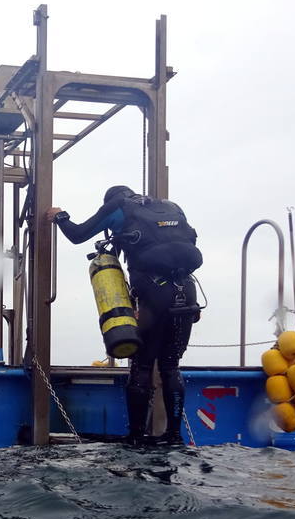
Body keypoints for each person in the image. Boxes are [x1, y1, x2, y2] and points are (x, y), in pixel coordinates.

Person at [47, 185, 202, 446]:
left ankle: (136, 435)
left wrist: (60, 215)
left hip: (153, 294)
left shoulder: (118, 207)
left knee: (142, 365)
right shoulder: (171, 207)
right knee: (170, 365)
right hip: (186, 291)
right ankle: (174, 436)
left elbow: (78, 234)